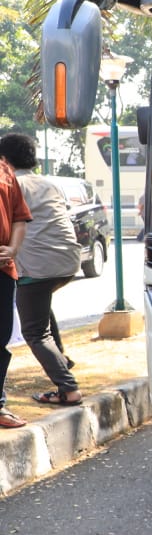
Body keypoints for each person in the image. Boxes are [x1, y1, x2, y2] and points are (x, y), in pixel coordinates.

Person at [0, 135, 82, 407]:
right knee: (40, 311)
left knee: (34, 332)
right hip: (68, 262)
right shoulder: (47, 183)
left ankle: (68, 390)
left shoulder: (12, 184)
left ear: (5, 160)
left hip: (37, 268)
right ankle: (62, 360)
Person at [0, 154, 31, 429]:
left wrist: (12, 249)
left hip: (2, 269)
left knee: (1, 337)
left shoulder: (5, 170)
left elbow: (19, 219)